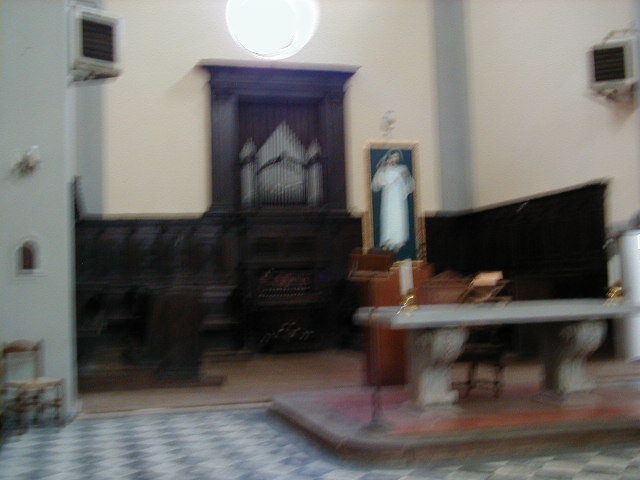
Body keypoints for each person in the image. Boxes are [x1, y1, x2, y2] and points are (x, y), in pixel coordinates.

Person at [371, 149, 415, 251]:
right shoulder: (384, 168)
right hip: (388, 197)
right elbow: (378, 183)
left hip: (398, 196)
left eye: (397, 156)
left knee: (398, 216)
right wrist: (382, 169)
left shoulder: (402, 168)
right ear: (389, 157)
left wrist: (404, 179)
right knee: (388, 216)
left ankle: (399, 241)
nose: (395, 158)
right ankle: (388, 240)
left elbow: (410, 183)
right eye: (393, 156)